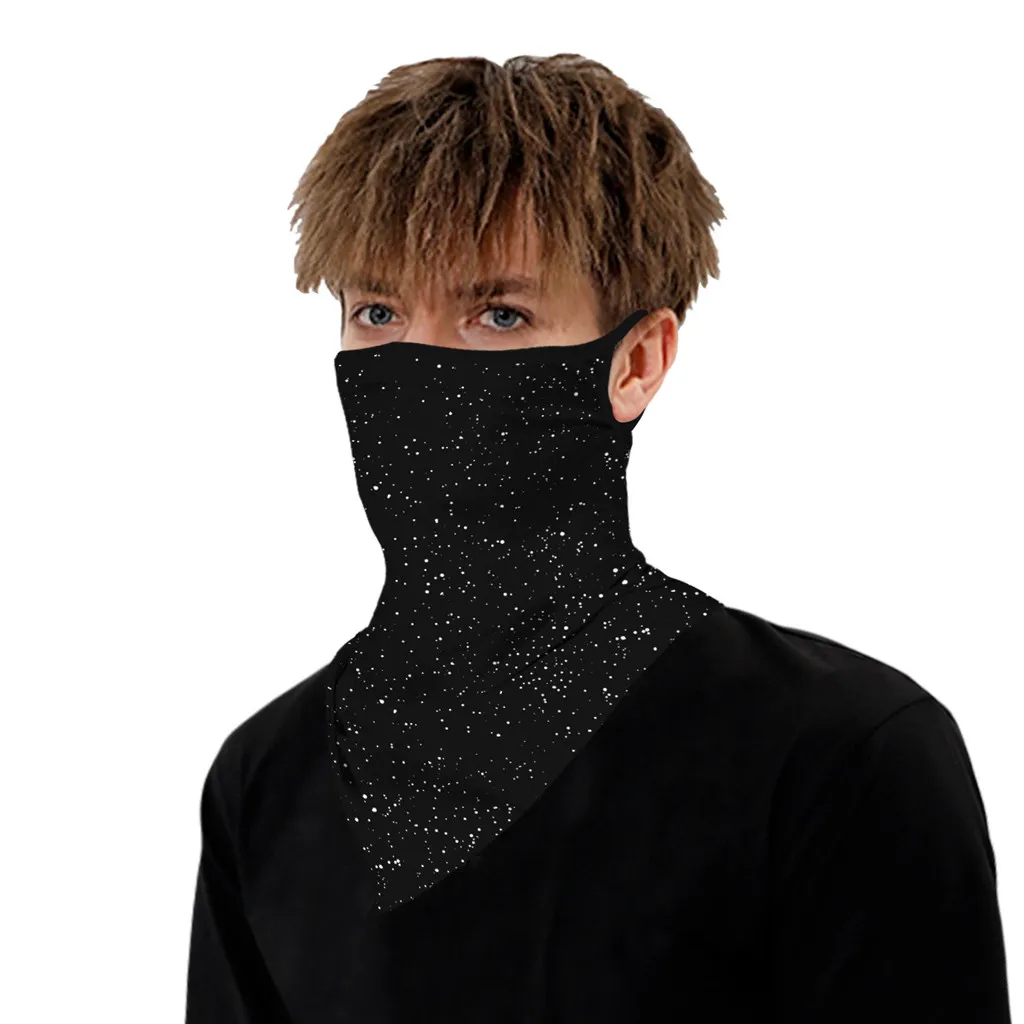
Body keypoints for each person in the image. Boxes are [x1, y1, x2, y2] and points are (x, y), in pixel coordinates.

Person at [184, 54, 1011, 1022]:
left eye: (498, 315)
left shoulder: (838, 761)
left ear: (637, 361)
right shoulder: (266, 782)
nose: (416, 371)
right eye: (377, 312)